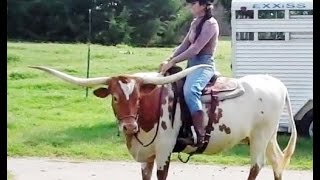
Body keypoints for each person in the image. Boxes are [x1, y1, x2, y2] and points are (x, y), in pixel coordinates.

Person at [159, 0, 219, 148]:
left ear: (204, 5)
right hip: (191, 65)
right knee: (172, 90)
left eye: (194, 3)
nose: (191, 6)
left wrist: (173, 63)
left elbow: (195, 49)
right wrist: (169, 59)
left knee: (191, 91)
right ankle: (182, 129)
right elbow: (184, 45)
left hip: (204, 65)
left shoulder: (210, 24)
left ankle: (200, 135)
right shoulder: (195, 22)